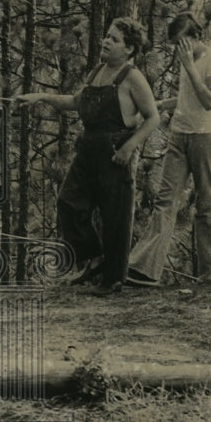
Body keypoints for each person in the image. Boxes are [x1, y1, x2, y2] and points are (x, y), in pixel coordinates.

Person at [16, 18, 160, 296]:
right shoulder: (97, 71)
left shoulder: (132, 77)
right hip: (88, 149)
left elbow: (152, 118)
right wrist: (39, 97)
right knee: (68, 202)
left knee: (115, 217)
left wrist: (129, 149)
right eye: (106, 36)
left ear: (129, 49)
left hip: (115, 151)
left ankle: (113, 280)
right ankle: (94, 259)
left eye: (114, 39)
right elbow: (73, 102)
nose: (105, 41)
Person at [126, 12, 211, 286]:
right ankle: (143, 268)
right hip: (179, 135)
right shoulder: (186, 60)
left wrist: (188, 65)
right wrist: (165, 104)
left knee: (208, 202)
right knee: (165, 201)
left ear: (195, 37)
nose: (178, 49)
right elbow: (189, 96)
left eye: (181, 43)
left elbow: (209, 100)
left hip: (205, 136)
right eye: (175, 44)